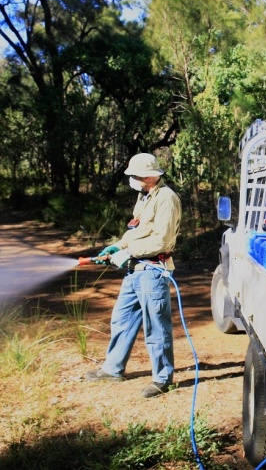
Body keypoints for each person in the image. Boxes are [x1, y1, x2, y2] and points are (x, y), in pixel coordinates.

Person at [85, 153, 182, 398]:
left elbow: (162, 240)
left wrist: (129, 252)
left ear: (150, 176)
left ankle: (163, 379)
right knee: (121, 319)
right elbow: (136, 230)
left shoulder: (166, 199)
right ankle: (112, 369)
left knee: (156, 327)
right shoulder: (144, 196)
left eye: (135, 176)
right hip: (134, 269)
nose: (132, 180)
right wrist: (118, 246)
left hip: (153, 270)